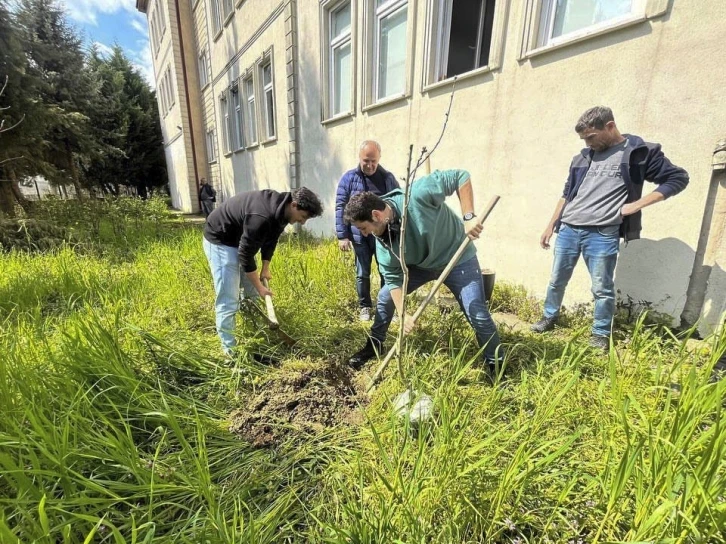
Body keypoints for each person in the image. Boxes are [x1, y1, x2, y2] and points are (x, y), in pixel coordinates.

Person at [531, 106, 689, 350]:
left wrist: (637, 204)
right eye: (583, 139)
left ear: (610, 126)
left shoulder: (639, 152)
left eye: (591, 137)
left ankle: (600, 333)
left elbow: (677, 178)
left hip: (603, 233)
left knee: (602, 288)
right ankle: (549, 316)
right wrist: (551, 224)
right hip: (569, 229)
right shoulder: (582, 157)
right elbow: (567, 195)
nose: (587, 142)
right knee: (556, 280)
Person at [343, 169, 502, 372]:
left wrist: (469, 216)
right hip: (421, 265)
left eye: (364, 228)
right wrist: (402, 315)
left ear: (376, 215)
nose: (365, 234)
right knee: (385, 297)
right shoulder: (383, 242)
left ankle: (496, 365)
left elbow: (460, 176)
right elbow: (393, 280)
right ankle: (374, 345)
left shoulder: (417, 195)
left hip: (457, 259)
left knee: (477, 312)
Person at [203, 186, 323, 355]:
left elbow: (271, 239)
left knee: (251, 294)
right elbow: (245, 255)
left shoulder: (282, 212)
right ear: (294, 205)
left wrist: (265, 268)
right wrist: (260, 287)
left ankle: (254, 334)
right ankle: (230, 353)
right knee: (229, 300)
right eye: (303, 217)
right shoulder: (261, 215)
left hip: (240, 239)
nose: (302, 222)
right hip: (221, 240)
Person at [336, 140, 400, 321]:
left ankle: (386, 307)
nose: (370, 165)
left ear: (379, 159)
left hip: (383, 236)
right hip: (359, 237)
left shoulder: (388, 178)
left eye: (374, 161)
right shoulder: (349, 179)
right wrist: (343, 235)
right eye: (366, 161)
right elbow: (341, 206)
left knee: (385, 271)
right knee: (362, 273)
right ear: (360, 158)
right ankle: (364, 306)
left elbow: (398, 202)